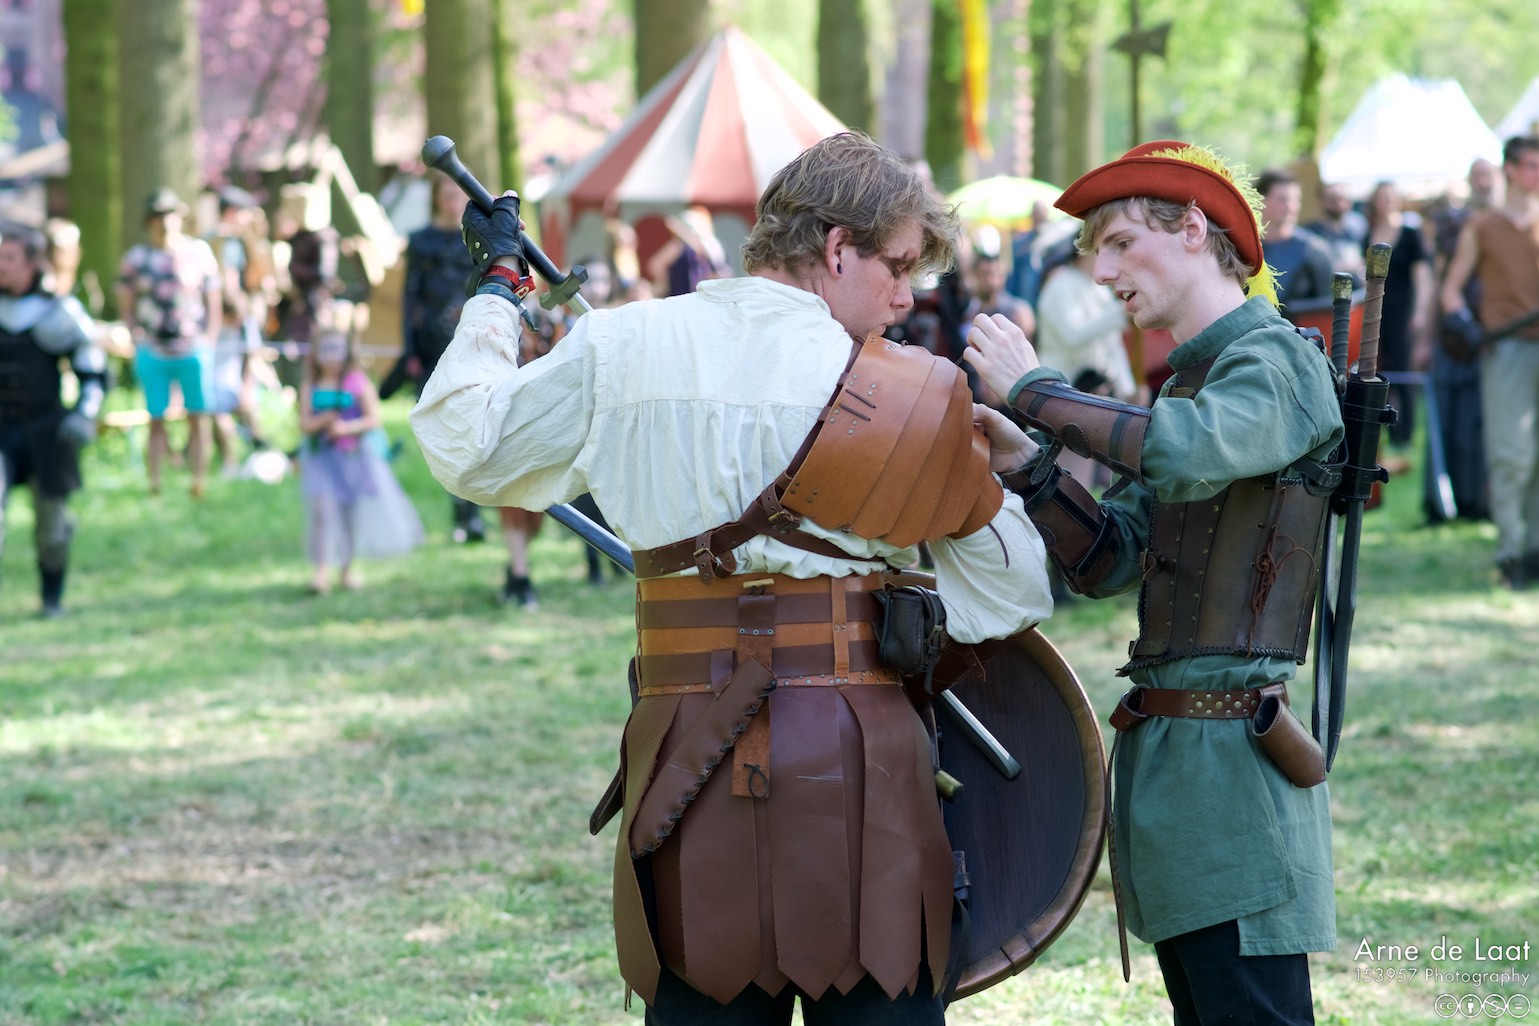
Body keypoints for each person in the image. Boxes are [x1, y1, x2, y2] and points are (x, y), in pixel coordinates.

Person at [411, 131, 1054, 1024]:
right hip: (862, 759)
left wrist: (496, 293)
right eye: (900, 266)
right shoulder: (916, 392)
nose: (907, 297)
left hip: (688, 754)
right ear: (837, 248)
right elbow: (1011, 593)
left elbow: (465, 445)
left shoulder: (620, 345)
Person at [964, 140, 1343, 1026]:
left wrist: (1034, 390)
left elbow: (1187, 452)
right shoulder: (1188, 387)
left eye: (1120, 243)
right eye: (1095, 251)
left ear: (1193, 230)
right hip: (1172, 756)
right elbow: (1110, 560)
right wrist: (1030, 468)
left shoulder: (1277, 361)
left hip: (1234, 762)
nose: (1101, 272)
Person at [1440, 135, 1539, 590]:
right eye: (1531, 165)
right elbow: (1451, 291)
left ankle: (1535, 550)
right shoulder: (1483, 226)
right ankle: (1510, 553)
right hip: (1506, 349)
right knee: (1511, 455)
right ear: (1510, 170)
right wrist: (1463, 322)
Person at [0, 224, 108, 617]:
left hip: (45, 431)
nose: (1, 265)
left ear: (31, 263)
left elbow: (92, 372)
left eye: (9, 257)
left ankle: (51, 600)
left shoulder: (59, 312)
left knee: (53, 528)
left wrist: (85, 414)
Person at [296, 304, 423, 594]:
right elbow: (304, 423)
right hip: (321, 459)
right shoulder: (311, 385)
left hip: (352, 458)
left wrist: (346, 428)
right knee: (322, 511)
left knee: (347, 513)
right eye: (325, 349)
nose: (331, 355)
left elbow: (373, 419)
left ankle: (347, 568)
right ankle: (321, 571)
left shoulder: (357, 382)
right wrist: (323, 421)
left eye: (336, 348)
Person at [115, 188, 222, 498]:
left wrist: (210, 338)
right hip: (153, 348)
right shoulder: (136, 258)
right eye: (158, 215)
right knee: (156, 418)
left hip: (193, 346)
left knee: (198, 416)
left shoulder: (199, 252)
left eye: (170, 214)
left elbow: (213, 297)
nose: (165, 221)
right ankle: (155, 483)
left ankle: (199, 480)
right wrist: (135, 334)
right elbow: (125, 299)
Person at [400, 175, 487, 544]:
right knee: (447, 428)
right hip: (434, 345)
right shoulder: (421, 241)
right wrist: (409, 349)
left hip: (472, 339)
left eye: (458, 195)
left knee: (475, 422)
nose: (452, 202)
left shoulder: (478, 237)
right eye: (447, 195)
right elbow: (410, 298)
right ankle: (461, 514)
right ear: (436, 198)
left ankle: (475, 512)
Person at [1254, 169, 1336, 318]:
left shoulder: (1315, 251)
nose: (1291, 207)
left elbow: (1328, 312)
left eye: (1295, 200)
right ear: (1261, 201)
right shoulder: (1245, 249)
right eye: (1282, 200)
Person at [645, 205, 730, 297]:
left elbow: (721, 274)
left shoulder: (713, 246)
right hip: (680, 295)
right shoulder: (679, 245)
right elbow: (655, 265)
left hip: (699, 296)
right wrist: (664, 282)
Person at [1303, 181, 1367, 282]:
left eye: (1342, 198)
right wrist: (1346, 267)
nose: (1338, 203)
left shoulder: (1358, 227)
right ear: (1321, 201)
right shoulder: (1309, 234)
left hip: (1358, 289)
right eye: (1333, 198)